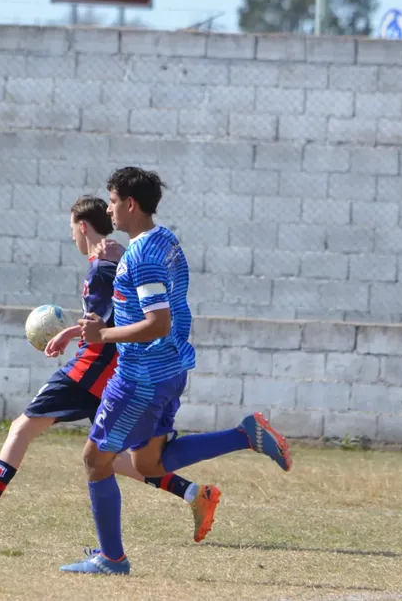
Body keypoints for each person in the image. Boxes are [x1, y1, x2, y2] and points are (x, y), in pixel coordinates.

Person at [0, 195, 221, 542]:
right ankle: (195, 494)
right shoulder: (109, 262)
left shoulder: (101, 269)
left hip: (92, 369)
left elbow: (114, 320)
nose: (71, 237)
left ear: (82, 227)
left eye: (72, 229)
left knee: (21, 428)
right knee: (108, 458)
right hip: (110, 373)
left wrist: (71, 333)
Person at [60, 167, 293, 576]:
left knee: (96, 460)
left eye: (113, 202)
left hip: (140, 376)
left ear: (130, 204)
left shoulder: (141, 255)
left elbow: (159, 320)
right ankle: (245, 434)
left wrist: (103, 334)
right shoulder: (165, 240)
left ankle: (112, 559)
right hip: (169, 369)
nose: (109, 210)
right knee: (150, 465)